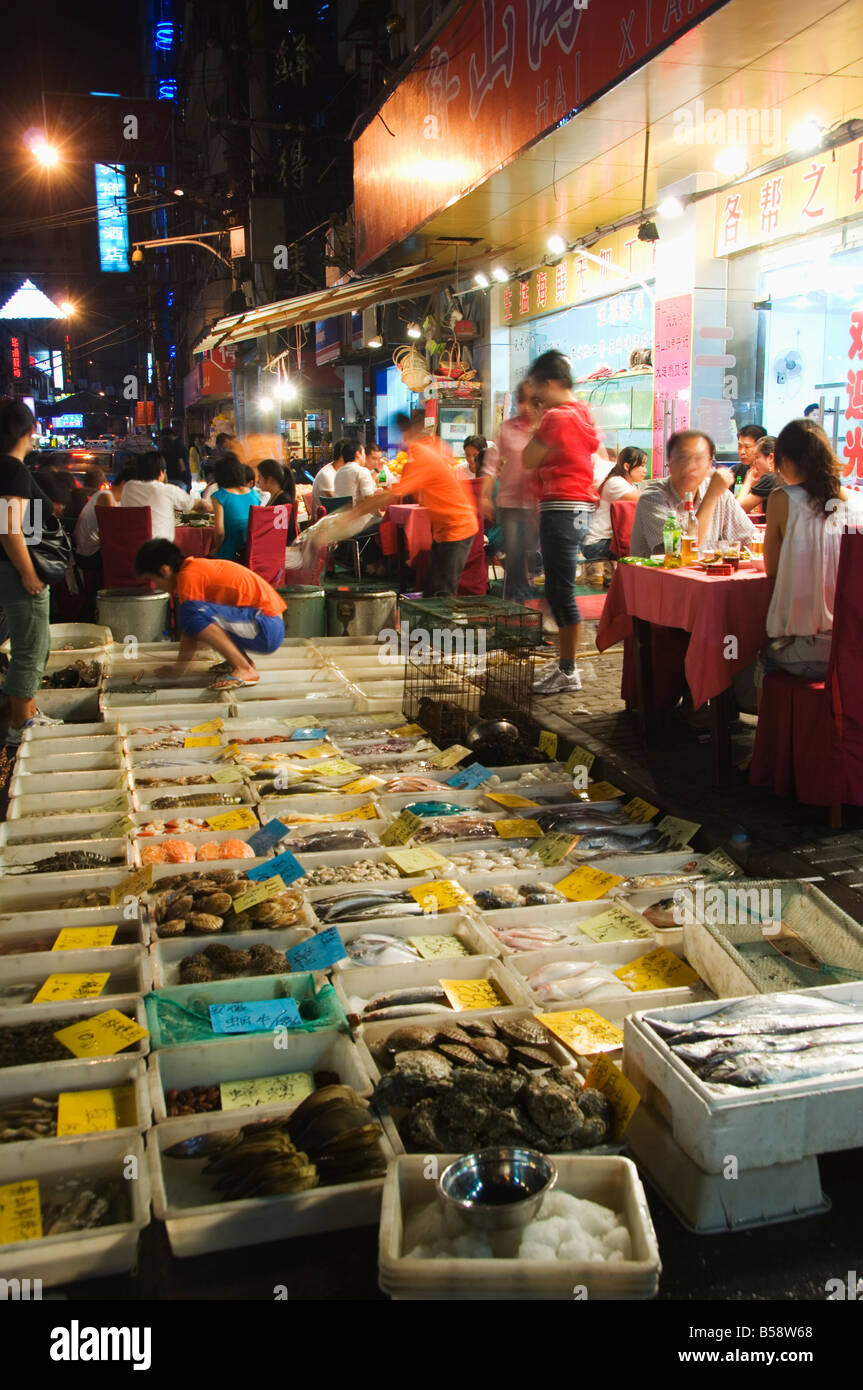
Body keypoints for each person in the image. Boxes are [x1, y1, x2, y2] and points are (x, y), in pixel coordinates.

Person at [521, 350, 602, 694]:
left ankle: (569, 671)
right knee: (559, 591)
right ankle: (567, 668)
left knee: (561, 594)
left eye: (539, 389)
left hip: (561, 508)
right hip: (578, 508)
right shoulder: (582, 414)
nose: (537, 397)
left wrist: (539, 423)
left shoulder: (558, 417)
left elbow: (528, 458)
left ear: (552, 383)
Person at [759, 419, 861, 684]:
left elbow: (772, 569)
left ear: (786, 461)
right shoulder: (858, 503)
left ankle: (772, 726)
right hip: (854, 648)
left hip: (811, 653)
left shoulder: (782, 499)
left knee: (752, 653)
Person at [339, 412, 478, 596]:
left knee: (442, 591)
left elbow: (389, 496)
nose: (404, 440)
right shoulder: (433, 447)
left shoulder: (422, 458)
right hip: (445, 528)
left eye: (405, 433)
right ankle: (432, 621)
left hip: (457, 528)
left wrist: (349, 516)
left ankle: (445, 623)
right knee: (432, 588)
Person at [134, 539, 286, 691]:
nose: (155, 585)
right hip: (266, 622)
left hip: (266, 627)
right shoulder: (195, 568)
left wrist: (177, 671)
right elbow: (196, 630)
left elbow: (190, 632)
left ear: (164, 571)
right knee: (196, 613)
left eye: (152, 579)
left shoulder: (189, 576)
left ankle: (244, 668)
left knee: (191, 612)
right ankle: (241, 662)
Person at [0, 399, 63, 743]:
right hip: (15, 568)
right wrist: (27, 572)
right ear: (29, 431)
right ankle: (20, 723)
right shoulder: (11, 469)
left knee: (27, 642)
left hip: (8, 567)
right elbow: (9, 527)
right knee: (31, 644)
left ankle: (25, 713)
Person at [629, 430, 757, 557]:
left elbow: (751, 540)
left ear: (709, 464)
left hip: (707, 576)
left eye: (698, 459)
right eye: (682, 458)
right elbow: (678, 554)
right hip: (659, 576)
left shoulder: (721, 494)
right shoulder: (652, 498)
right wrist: (711, 496)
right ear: (669, 462)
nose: (690, 466)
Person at [480, 383, 540, 602]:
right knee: (514, 555)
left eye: (532, 402)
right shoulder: (507, 428)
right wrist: (485, 496)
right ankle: (515, 603)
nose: (527, 407)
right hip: (510, 504)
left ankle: (522, 601)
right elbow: (490, 465)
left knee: (533, 556)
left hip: (538, 503)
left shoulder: (544, 429)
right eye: (523, 401)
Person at [581, 446, 648, 583]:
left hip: (608, 542)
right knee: (643, 549)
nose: (645, 470)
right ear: (627, 465)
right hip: (597, 544)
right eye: (641, 466)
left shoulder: (628, 484)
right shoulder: (615, 483)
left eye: (645, 466)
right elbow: (642, 498)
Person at [121, 453, 210, 541]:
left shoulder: (128, 487)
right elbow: (199, 505)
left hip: (131, 548)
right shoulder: (168, 490)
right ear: (161, 473)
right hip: (161, 551)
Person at [74, 464, 136, 560]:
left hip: (95, 549)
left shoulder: (116, 499)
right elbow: (114, 532)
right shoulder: (106, 496)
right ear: (124, 484)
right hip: (90, 553)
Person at [210, 453, 262, 561]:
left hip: (229, 554)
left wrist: (216, 549)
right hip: (251, 554)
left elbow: (220, 533)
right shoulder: (255, 495)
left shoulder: (220, 496)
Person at [255, 459, 297, 544]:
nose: (258, 481)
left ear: (269, 480)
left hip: (282, 550)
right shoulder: (275, 496)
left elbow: (281, 532)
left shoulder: (283, 501)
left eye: (260, 477)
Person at [735, 435, 778, 514]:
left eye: (757, 457)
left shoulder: (771, 478)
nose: (754, 463)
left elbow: (737, 511)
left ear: (771, 458)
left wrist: (748, 482)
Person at [311, 441, 341, 520]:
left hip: (337, 520)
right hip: (325, 524)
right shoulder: (326, 474)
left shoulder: (343, 471)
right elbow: (338, 504)